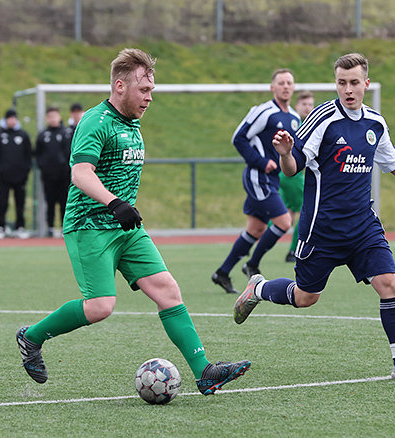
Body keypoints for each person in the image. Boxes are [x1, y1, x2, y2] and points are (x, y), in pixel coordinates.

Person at [15, 48, 250, 395]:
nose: (149, 97)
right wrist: (114, 203)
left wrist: (122, 209)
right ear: (120, 86)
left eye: (151, 90)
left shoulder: (132, 123)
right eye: (144, 90)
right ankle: (31, 337)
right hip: (90, 226)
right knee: (100, 306)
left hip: (126, 228)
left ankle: (205, 372)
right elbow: (81, 173)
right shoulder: (95, 121)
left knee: (168, 290)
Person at [234, 53, 395, 380]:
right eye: (341, 83)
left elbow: (393, 161)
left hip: (363, 226)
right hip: (323, 229)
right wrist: (285, 154)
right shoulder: (323, 118)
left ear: (366, 84)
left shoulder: (375, 123)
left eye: (354, 83)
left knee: (390, 283)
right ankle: (260, 289)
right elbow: (293, 169)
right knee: (306, 297)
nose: (348, 89)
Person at [211, 69, 300, 294]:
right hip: (258, 177)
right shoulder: (264, 111)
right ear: (273, 87)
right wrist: (261, 162)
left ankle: (222, 273)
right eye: (281, 83)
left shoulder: (294, 118)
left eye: (289, 83)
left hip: (273, 179)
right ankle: (252, 265)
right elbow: (238, 138)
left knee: (256, 229)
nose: (286, 86)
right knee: (284, 222)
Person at [280, 91, 314, 262]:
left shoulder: (310, 124)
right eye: (304, 104)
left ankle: (263, 228)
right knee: (306, 210)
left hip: (290, 175)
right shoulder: (295, 123)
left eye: (310, 105)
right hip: (292, 175)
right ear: (297, 106)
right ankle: (294, 250)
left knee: (289, 214)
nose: (308, 108)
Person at [0, 108, 32, 239]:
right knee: (2, 202)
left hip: (20, 177)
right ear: (5, 120)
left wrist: (25, 170)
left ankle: (20, 227)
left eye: (14, 118)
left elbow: (28, 154)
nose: (12, 121)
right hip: (4, 177)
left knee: (20, 203)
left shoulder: (23, 135)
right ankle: (0, 227)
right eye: (10, 118)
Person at [35, 106, 72, 237]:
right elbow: (38, 154)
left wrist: (67, 168)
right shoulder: (43, 135)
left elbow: (70, 153)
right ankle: (50, 227)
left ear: (59, 117)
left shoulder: (66, 133)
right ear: (47, 118)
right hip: (48, 175)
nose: (52, 119)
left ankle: (64, 226)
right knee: (50, 201)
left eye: (54, 116)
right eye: (50, 117)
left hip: (64, 175)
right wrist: (43, 166)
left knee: (64, 201)